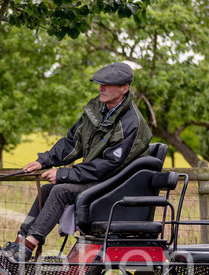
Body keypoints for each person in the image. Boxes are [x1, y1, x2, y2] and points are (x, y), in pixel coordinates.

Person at [11, 62, 152, 256]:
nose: (100, 87)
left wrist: (63, 174)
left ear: (124, 88)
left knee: (61, 190)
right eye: (99, 83)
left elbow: (109, 166)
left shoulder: (131, 123)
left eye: (107, 84)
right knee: (47, 189)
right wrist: (44, 161)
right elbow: (72, 143)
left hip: (114, 186)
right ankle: (18, 242)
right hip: (98, 180)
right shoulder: (96, 108)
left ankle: (26, 248)